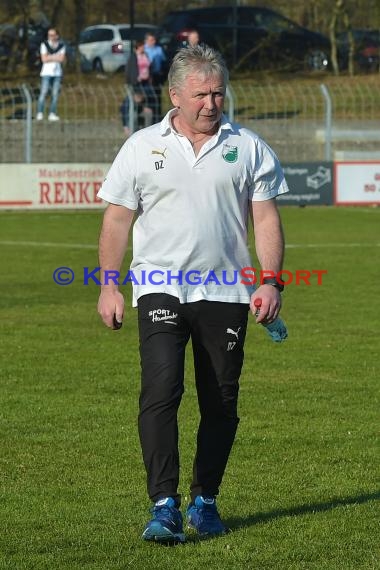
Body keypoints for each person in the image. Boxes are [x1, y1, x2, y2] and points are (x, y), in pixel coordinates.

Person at [97, 44, 289, 544]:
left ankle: (204, 500)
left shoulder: (247, 147)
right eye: (201, 94)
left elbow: (265, 217)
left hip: (226, 292)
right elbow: (118, 218)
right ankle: (164, 505)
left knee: (220, 402)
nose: (211, 103)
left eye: (218, 93)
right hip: (160, 287)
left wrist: (270, 280)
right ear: (175, 94)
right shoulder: (142, 146)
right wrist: (108, 285)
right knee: (161, 391)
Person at [120, 41, 156, 136]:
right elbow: (129, 71)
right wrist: (132, 82)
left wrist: (150, 78)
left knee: (149, 103)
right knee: (128, 104)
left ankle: (149, 128)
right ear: (137, 47)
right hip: (136, 84)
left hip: (146, 84)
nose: (143, 48)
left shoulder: (146, 55)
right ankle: (127, 126)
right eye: (141, 47)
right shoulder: (133, 57)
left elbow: (149, 67)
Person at [36, 28, 66, 121]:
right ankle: (40, 112)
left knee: (55, 94)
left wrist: (50, 56)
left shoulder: (61, 45)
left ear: (57, 36)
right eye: (49, 35)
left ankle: (52, 113)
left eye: (53, 35)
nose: (51, 37)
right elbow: (44, 59)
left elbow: (61, 59)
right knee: (43, 92)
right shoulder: (44, 45)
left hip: (57, 73)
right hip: (46, 72)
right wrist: (55, 56)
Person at [143, 32, 167, 122]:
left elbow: (164, 61)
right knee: (148, 98)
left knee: (157, 97)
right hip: (146, 77)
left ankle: (157, 118)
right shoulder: (143, 49)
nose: (153, 42)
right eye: (151, 40)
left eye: (154, 40)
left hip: (157, 76)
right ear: (146, 41)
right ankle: (147, 119)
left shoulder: (159, 49)